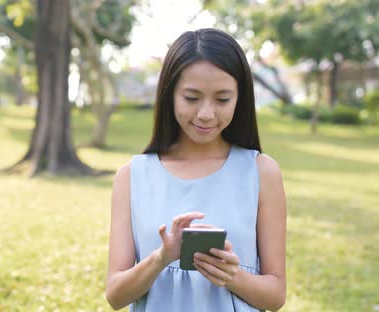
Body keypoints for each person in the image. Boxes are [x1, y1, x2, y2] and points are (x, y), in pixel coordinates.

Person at [105, 28, 286, 311]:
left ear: (240, 99)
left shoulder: (261, 172)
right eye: (191, 98)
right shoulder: (132, 176)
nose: (206, 113)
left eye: (222, 99)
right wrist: (161, 257)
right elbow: (115, 295)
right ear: (170, 95)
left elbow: (275, 296)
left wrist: (232, 276)